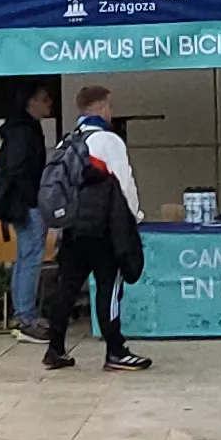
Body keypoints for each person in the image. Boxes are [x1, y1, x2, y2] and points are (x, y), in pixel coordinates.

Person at [45, 85, 152, 371]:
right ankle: (116, 351)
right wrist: (134, 218)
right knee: (109, 288)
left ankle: (55, 349)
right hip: (104, 229)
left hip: (72, 227)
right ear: (102, 107)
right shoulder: (108, 141)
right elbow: (125, 185)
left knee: (66, 287)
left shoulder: (67, 142)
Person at [0, 81, 54, 342]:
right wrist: (34, 199)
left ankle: (23, 312)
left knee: (25, 257)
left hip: (22, 203)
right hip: (26, 204)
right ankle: (25, 316)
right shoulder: (23, 132)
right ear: (31, 102)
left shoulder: (24, 129)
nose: (49, 103)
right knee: (31, 257)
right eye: (44, 99)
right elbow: (18, 169)